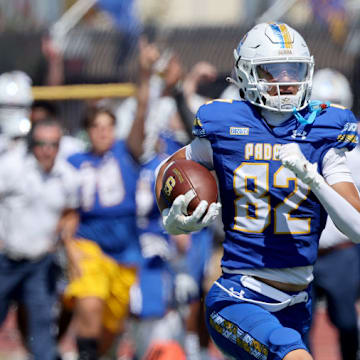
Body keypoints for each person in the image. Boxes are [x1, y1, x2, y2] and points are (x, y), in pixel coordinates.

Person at [155, 22, 360, 360]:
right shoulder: (224, 123)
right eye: (273, 70)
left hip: (296, 301)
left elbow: (355, 228)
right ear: (247, 73)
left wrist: (313, 179)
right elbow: (169, 170)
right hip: (238, 296)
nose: (285, 80)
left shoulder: (324, 129)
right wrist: (172, 220)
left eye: (292, 69)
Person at [63, 39, 159, 360]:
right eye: (96, 127)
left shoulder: (125, 154)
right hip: (90, 244)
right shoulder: (75, 163)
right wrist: (69, 249)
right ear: (88, 132)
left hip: (125, 251)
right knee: (90, 301)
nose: (103, 133)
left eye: (108, 127)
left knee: (111, 328)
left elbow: (142, 111)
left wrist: (145, 73)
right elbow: (68, 213)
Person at [0, 118, 80, 360]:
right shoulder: (11, 167)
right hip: (5, 260)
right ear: (31, 143)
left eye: (53, 144)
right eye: (41, 144)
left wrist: (63, 237)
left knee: (43, 334)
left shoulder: (68, 176)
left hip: (40, 263)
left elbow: (71, 213)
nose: (46, 150)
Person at [310, 68, 360, 360]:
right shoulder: (299, 140)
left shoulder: (355, 144)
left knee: (346, 324)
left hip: (341, 251)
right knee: (298, 328)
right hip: (303, 248)